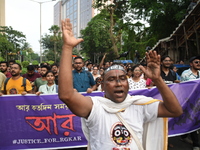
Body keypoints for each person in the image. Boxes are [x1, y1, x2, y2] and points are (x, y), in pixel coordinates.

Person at [58, 19, 183, 150]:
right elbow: (67, 95)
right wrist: (67, 47)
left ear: (128, 83)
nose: (118, 83)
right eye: (111, 79)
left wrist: (157, 79)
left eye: (122, 78)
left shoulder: (140, 105)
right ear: (103, 86)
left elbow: (175, 110)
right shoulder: (95, 107)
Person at [180, 56, 200, 150]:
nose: (198, 64)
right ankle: (196, 144)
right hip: (190, 101)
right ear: (191, 64)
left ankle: (184, 135)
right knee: (192, 120)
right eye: (196, 62)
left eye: (199, 62)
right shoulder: (185, 74)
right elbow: (183, 88)